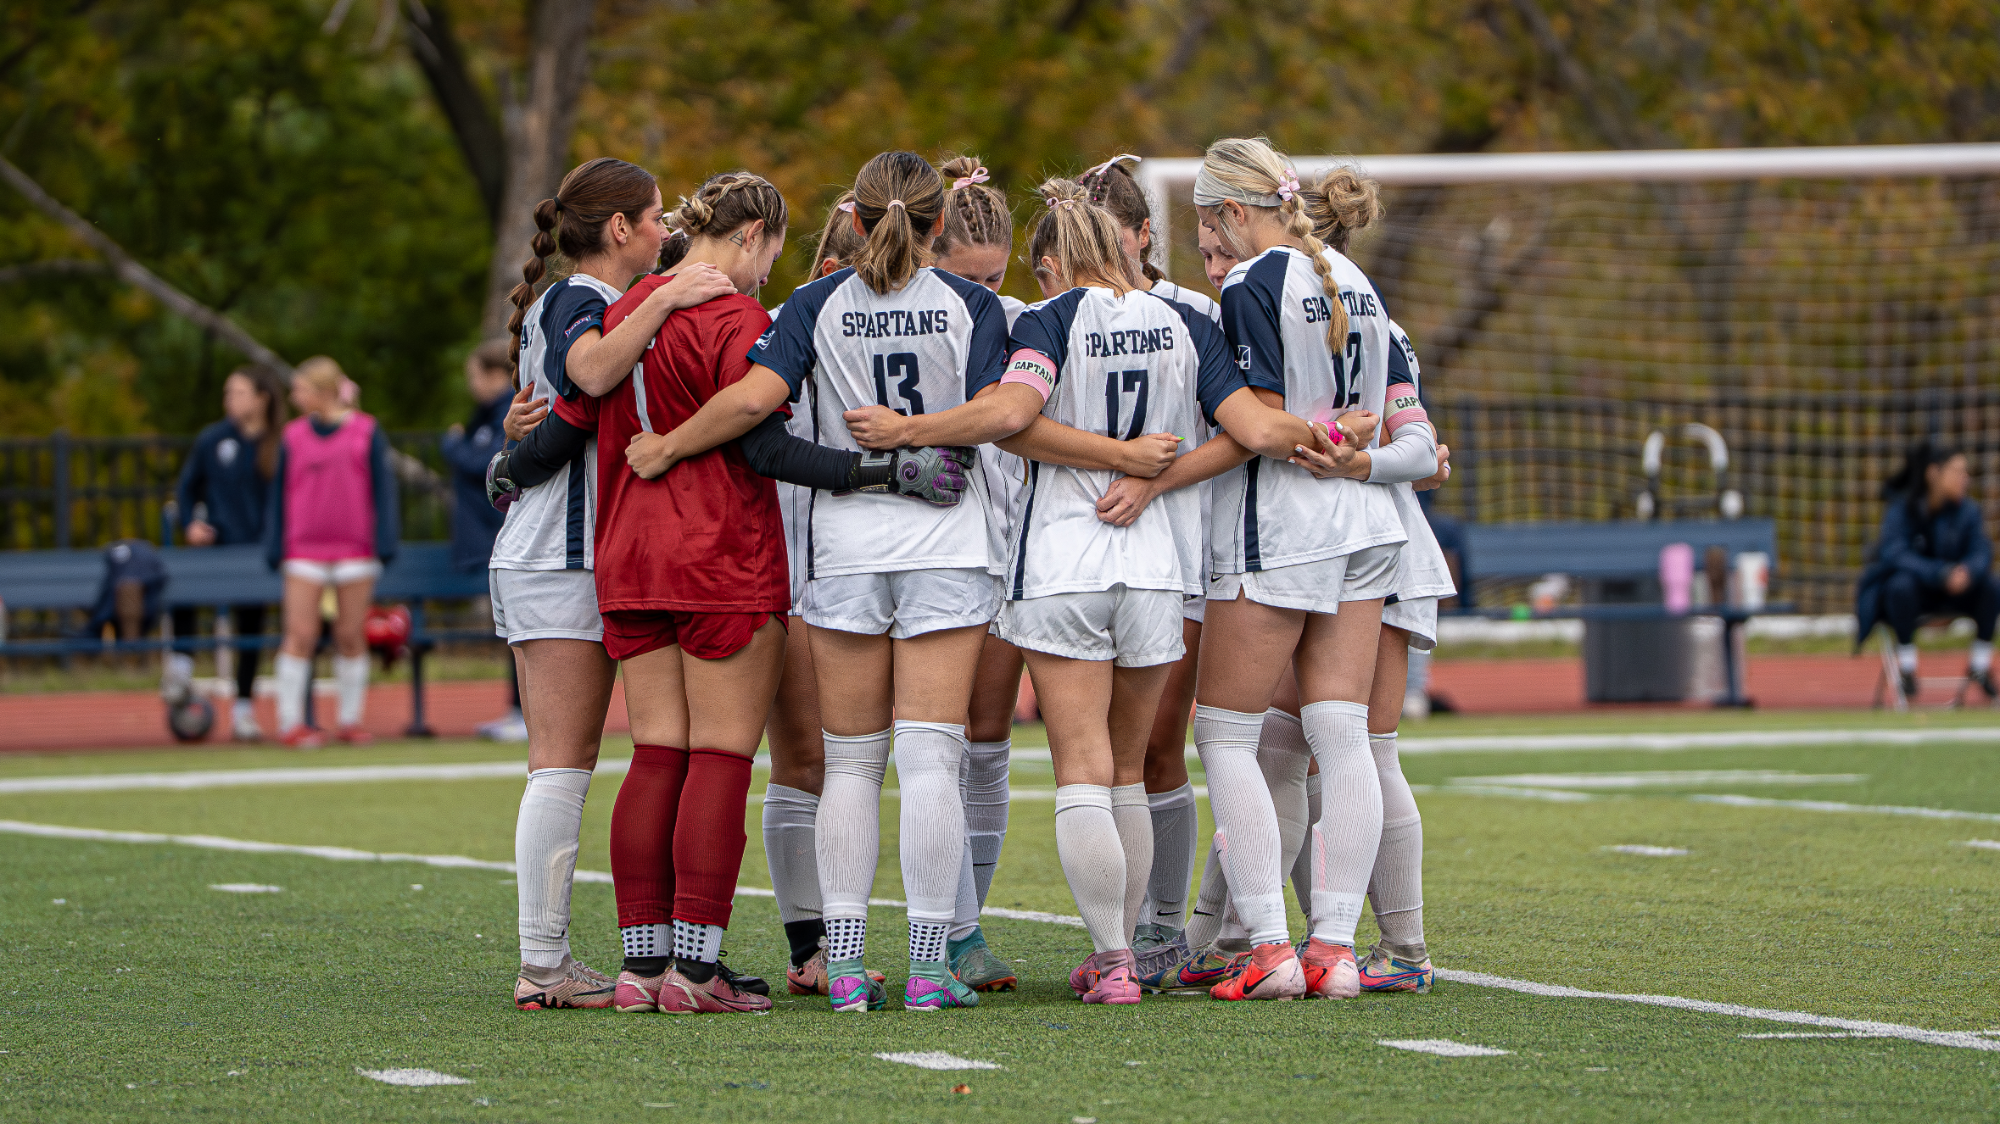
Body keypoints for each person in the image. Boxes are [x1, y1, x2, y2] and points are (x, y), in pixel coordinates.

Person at [598, 169, 974, 1015]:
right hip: (718, 553)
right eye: (770, 249)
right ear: (752, 234)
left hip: (628, 550)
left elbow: (580, 388)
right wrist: (885, 470)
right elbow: (761, 440)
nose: (771, 269)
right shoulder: (738, 318)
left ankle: (640, 968)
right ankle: (696, 974)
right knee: (722, 757)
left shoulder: (627, 308)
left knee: (655, 754)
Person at [977, 179, 1329, 1003]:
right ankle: (1136, 950)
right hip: (1156, 567)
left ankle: (1112, 961)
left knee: (1081, 767)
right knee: (1130, 770)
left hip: (1063, 562)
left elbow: (1011, 418)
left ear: (1056, 261)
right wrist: (1331, 431)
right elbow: (1254, 431)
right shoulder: (1187, 322)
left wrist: (1110, 455)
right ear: (1127, 243)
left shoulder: (1046, 320)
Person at [750, 151, 1012, 1013]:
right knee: (933, 761)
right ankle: (931, 969)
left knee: (853, 766)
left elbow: (760, 427)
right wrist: (921, 440)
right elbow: (1000, 416)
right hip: (947, 545)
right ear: (941, 224)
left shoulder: (812, 303)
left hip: (848, 548)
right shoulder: (973, 303)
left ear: (854, 219)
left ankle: (848, 969)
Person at [484, 155, 735, 1011]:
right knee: (561, 766)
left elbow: (557, 411)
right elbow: (589, 378)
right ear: (620, 228)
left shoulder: (587, 301)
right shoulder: (580, 298)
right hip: (561, 556)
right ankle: (544, 963)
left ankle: (624, 954)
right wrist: (666, 295)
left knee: (581, 762)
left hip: (570, 554)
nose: (667, 232)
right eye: (657, 217)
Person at [1180, 136, 1406, 1001]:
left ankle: (1269, 947)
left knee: (1226, 734)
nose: (1211, 244)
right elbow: (1367, 421)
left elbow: (1262, 424)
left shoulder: (1253, 282)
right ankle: (1336, 951)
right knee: (1341, 735)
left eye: (1210, 225)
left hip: (1280, 527)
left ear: (1235, 211)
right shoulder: (1356, 279)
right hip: (1363, 523)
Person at [929, 154, 1025, 993]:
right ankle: (951, 931)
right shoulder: (901, 317)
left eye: (996, 278)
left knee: (988, 743)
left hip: (1009, 552)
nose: (985, 294)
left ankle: (969, 931)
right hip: (925, 549)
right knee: (935, 744)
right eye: (970, 279)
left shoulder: (1025, 322)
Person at [263, 356, 399, 749]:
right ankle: (290, 722)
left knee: (350, 635)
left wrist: (385, 543)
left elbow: (383, 490)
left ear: (323, 391)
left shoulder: (366, 431)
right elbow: (279, 494)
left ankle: (349, 720)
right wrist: (275, 545)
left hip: (355, 551)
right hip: (303, 550)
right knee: (300, 634)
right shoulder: (292, 436)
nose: (295, 397)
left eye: (301, 389)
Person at [167, 365, 286, 741]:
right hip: (217, 549)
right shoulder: (213, 439)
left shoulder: (281, 443)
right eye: (227, 393)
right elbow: (187, 488)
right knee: (182, 591)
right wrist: (191, 523)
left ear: (261, 398)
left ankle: (244, 711)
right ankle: (180, 669)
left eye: (237, 392)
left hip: (260, 552)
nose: (229, 400)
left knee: (250, 627)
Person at [1856, 441, 1999, 701]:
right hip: (1916, 594)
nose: (1965, 479)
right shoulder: (1903, 509)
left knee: (1991, 586)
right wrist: (1940, 573)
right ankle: (1907, 666)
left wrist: (1966, 571)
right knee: (1900, 585)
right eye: (1958, 471)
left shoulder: (1968, 511)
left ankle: (1980, 665)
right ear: (1934, 473)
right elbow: (1895, 554)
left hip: (1956, 591)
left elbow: (1982, 550)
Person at [441, 339, 526, 743]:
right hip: (493, 538)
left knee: (521, 630)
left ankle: (524, 713)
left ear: (495, 375)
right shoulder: (487, 415)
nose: (471, 385)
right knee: (513, 630)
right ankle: (518, 711)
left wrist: (453, 446)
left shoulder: (509, 413)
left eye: (474, 376)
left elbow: (489, 464)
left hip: (505, 535)